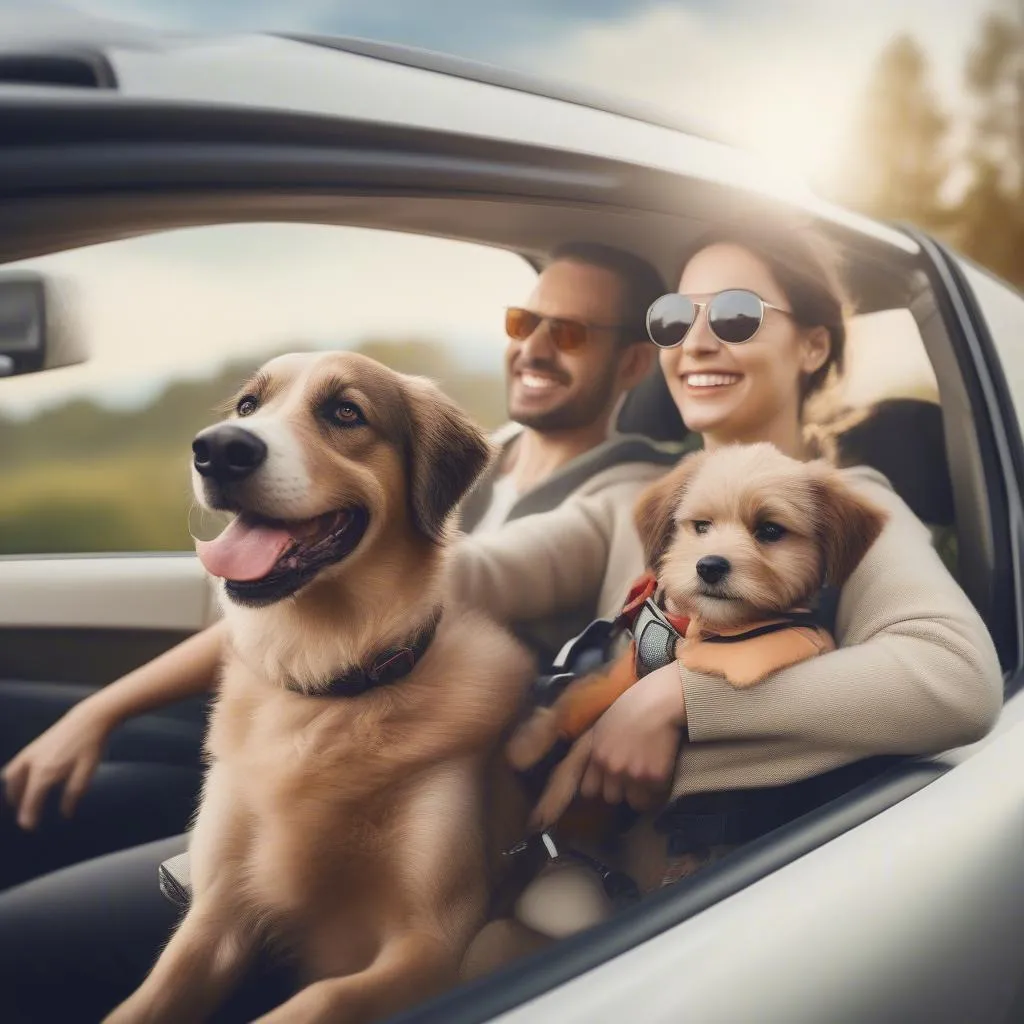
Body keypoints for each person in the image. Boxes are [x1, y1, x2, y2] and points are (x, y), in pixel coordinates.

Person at [0, 224, 1002, 1023]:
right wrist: (118, 698)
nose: (695, 340)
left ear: (814, 341)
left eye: (735, 313)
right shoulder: (632, 506)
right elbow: (430, 581)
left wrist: (676, 698)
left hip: (676, 905)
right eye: (673, 315)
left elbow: (952, 678)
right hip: (530, 860)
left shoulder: (851, 503)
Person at [0, 242, 673, 893]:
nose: (534, 349)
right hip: (297, 715)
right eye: (525, 322)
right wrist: (94, 713)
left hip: (392, 786)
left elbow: (448, 580)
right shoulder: (489, 453)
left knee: (36, 912)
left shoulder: (622, 495)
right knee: (20, 723)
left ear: (633, 362)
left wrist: (103, 711)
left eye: (574, 334)